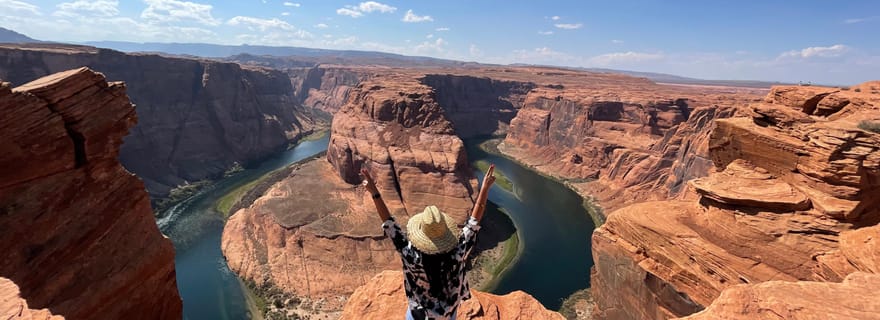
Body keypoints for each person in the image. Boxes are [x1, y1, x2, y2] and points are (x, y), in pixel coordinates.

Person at [360, 164, 497, 320]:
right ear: (445, 233)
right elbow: (473, 223)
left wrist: (374, 192)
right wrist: (485, 189)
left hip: (418, 315)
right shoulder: (457, 253)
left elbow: (389, 223)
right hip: (447, 315)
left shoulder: (410, 256)